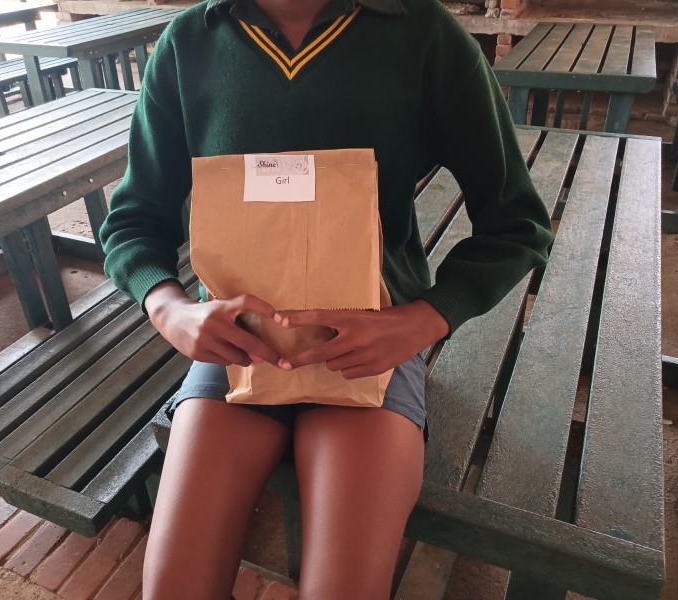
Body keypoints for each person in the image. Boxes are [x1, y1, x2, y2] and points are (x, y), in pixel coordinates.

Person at [99, 0, 554, 597]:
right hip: (238, 352)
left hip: (369, 350)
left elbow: (518, 225)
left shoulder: (423, 36)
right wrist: (170, 309)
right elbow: (133, 218)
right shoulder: (190, 42)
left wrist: (423, 320)